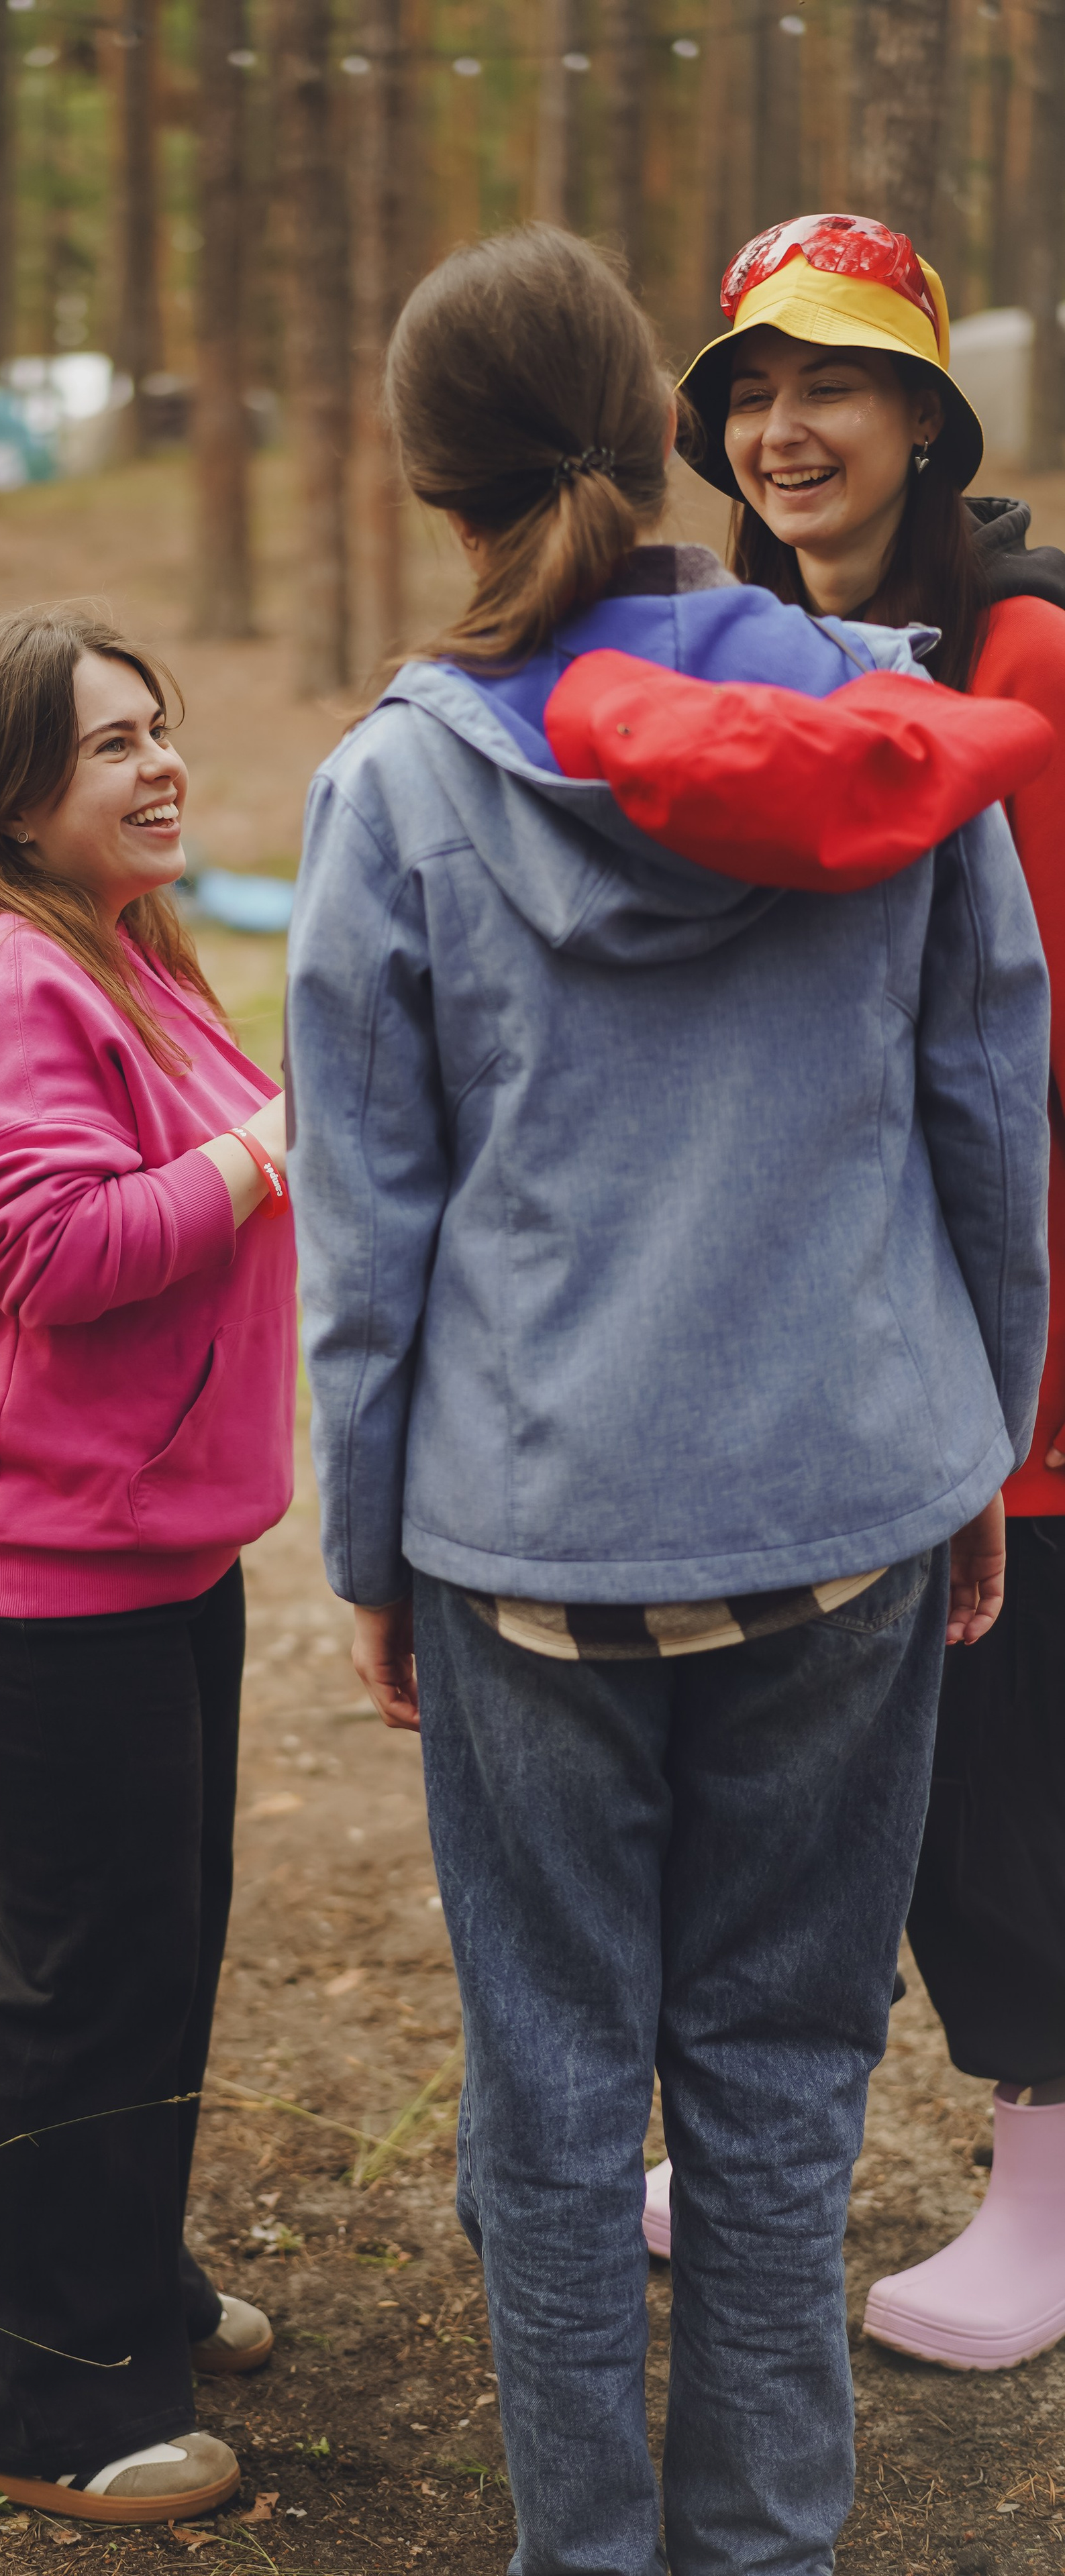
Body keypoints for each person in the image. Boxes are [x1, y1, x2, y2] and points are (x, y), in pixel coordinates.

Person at [285, 225, 1051, 2575]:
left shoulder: (400, 785)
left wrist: (373, 1549)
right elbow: (991, 1113)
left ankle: (589, 2551)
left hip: (535, 1545)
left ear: (433, 486)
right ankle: (765, 2545)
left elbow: (372, 1230)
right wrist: (987, 1420)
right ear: (658, 435)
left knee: (548, 2094)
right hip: (851, 1506)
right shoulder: (888, 729)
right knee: (784, 2074)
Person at [0, 604, 296, 2524]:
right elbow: (61, 1251)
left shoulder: (100, 944)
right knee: (81, 1971)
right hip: (35, 1568)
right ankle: (45, 2393)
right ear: (7, 788)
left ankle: (125, 2282)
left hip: (142, 1544)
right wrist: (269, 1156)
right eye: (111, 744)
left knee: (148, 1943)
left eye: (161, 727)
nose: (160, 763)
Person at [668, 207, 1065, 2373]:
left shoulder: (1026, 655)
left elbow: (1036, 1048)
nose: (782, 426)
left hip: (1015, 1318)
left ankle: (1046, 2180)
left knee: (1007, 1765)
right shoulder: (739, 640)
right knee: (799, 1753)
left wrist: (1018, 1381)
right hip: (810, 1302)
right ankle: (767, 2140)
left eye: (829, 382)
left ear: (926, 412)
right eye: (746, 389)